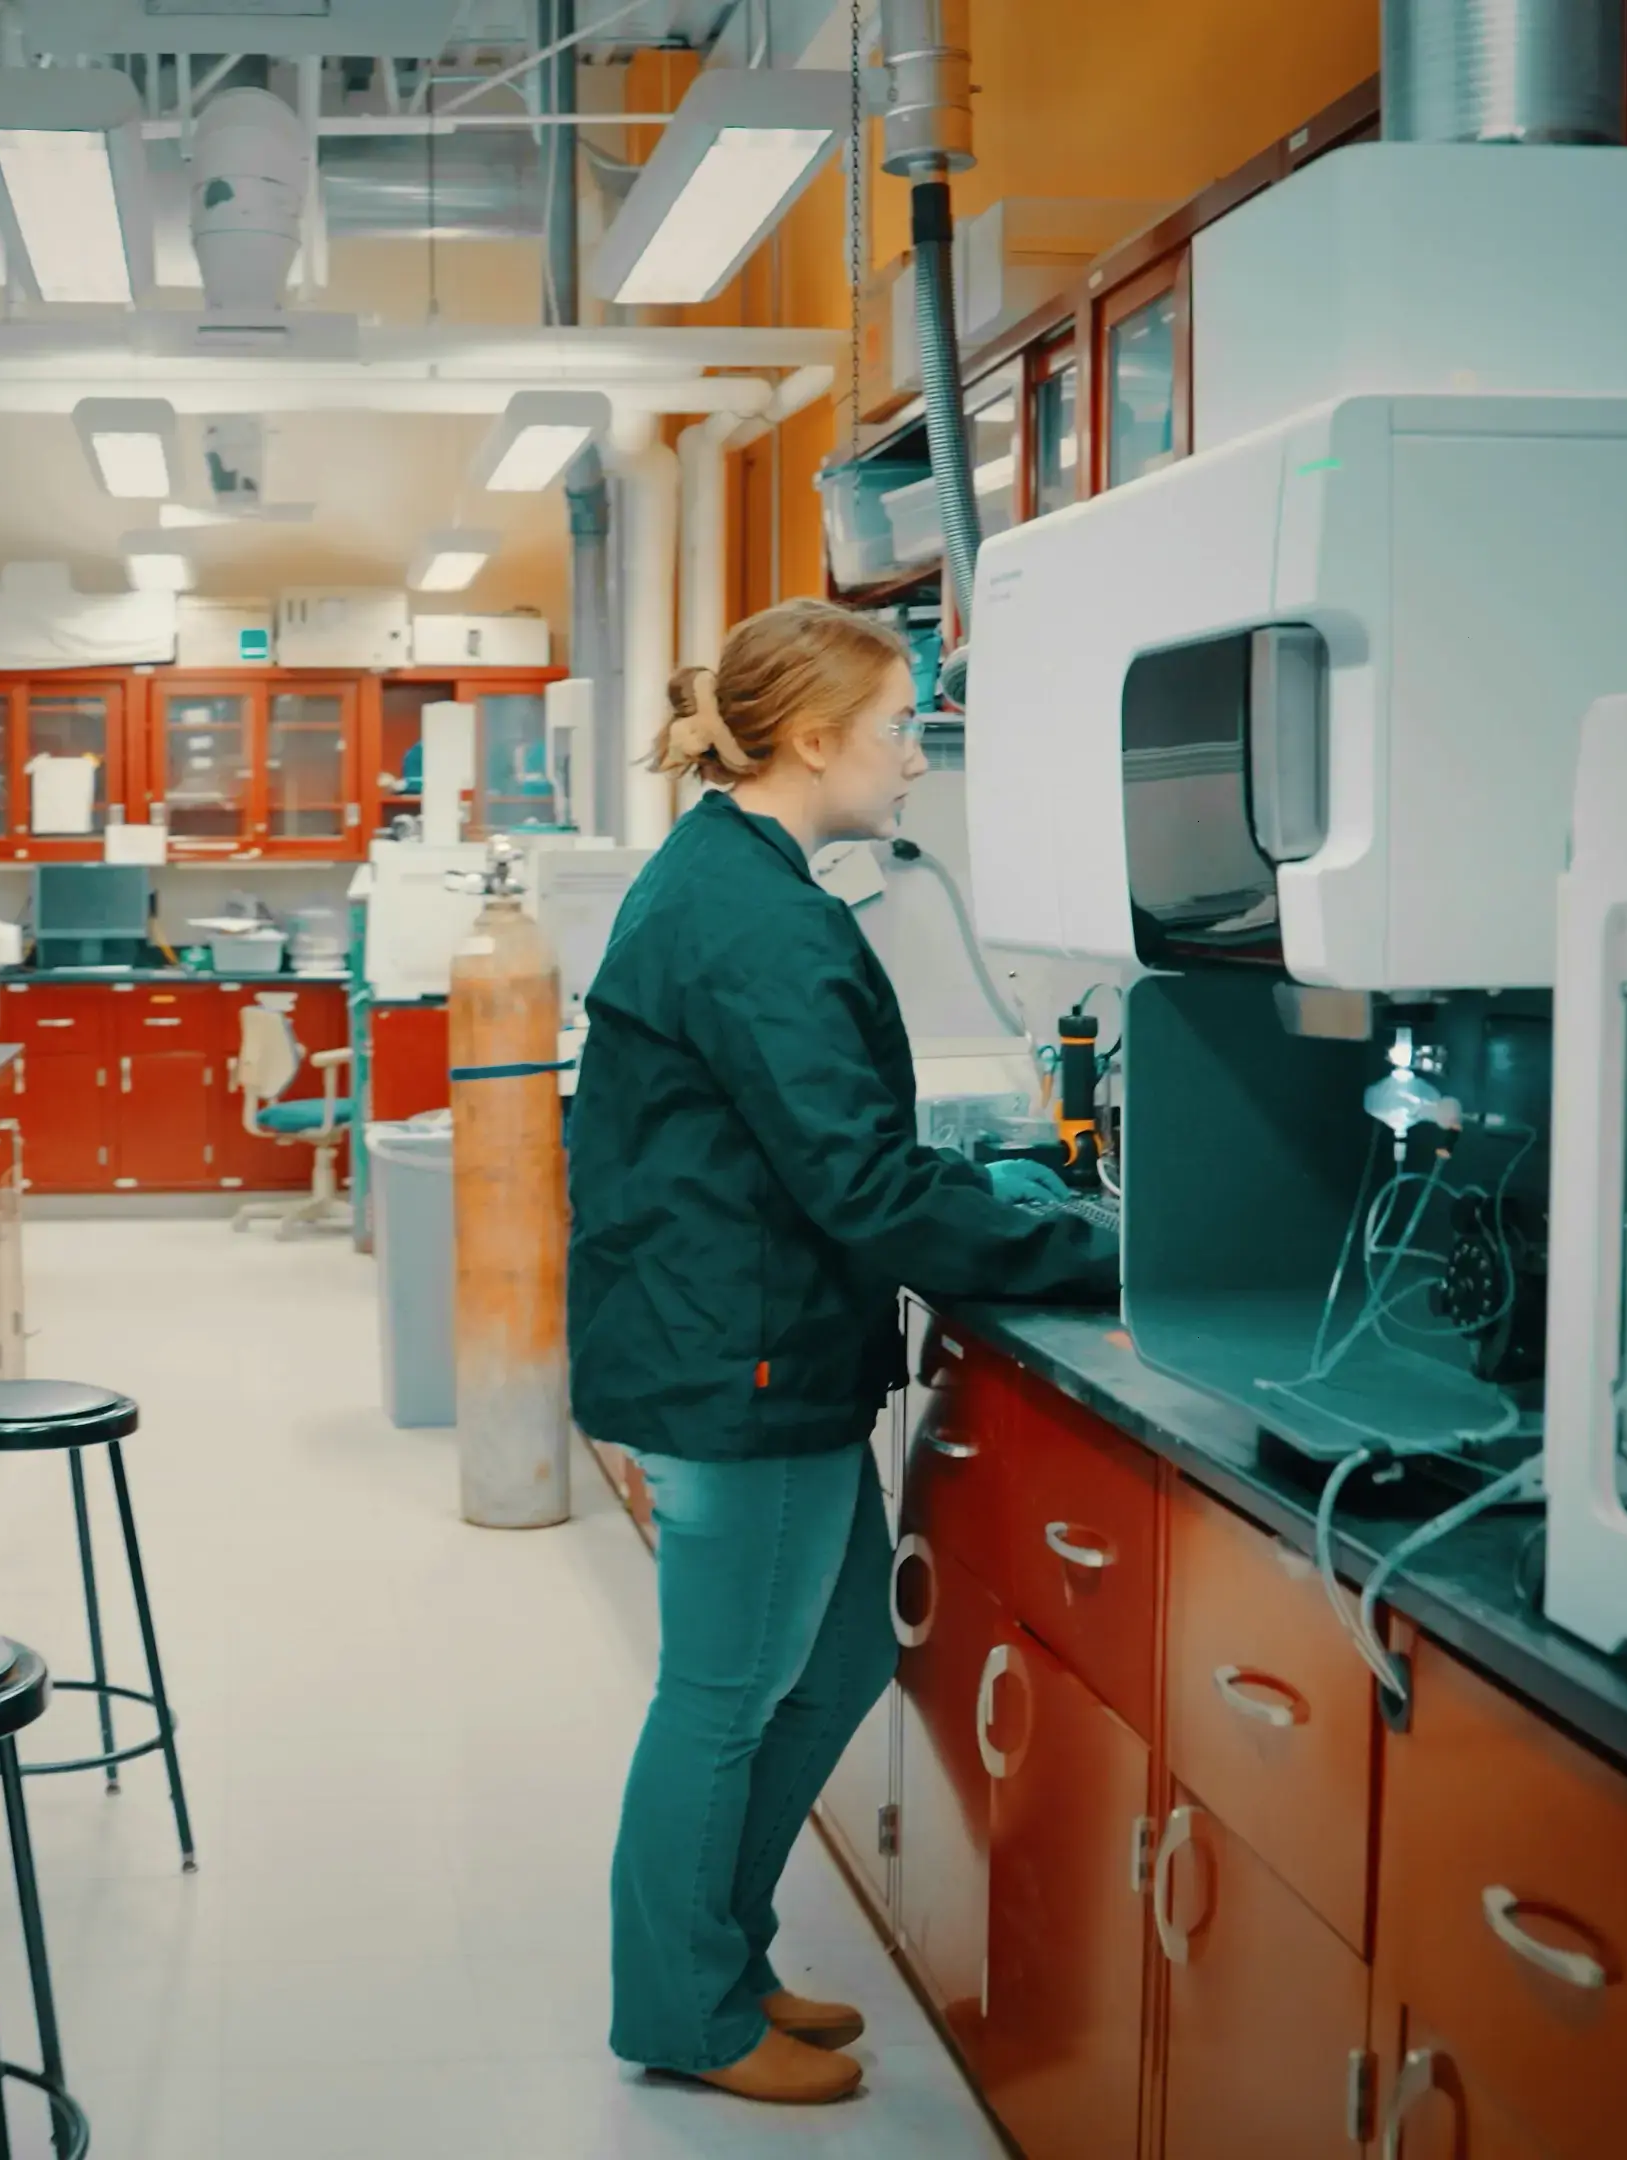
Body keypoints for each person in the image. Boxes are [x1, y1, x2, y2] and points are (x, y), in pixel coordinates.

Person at [567, 598, 1115, 2105]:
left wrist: (983, 1193)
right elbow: (860, 1185)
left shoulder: (737, 880)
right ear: (813, 737)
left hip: (737, 1332)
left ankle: (722, 1957)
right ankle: (683, 2008)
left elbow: (824, 1144)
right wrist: (1097, 1248)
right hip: (732, 1356)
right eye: (902, 729)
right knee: (727, 1691)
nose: (919, 760)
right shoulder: (759, 920)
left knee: (841, 1656)